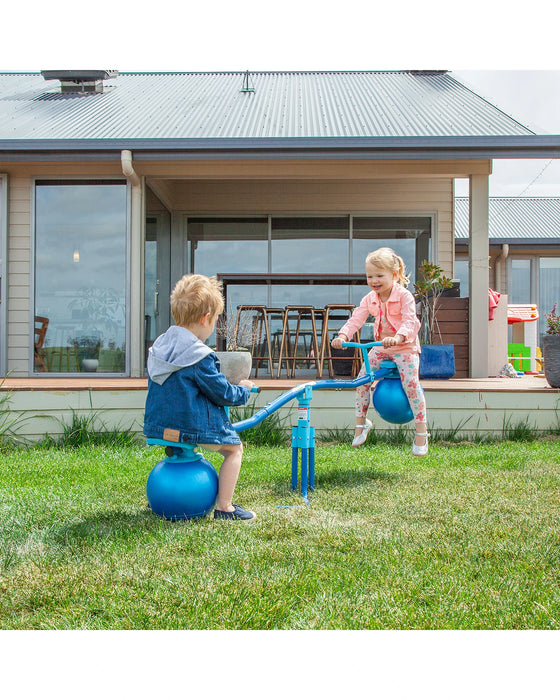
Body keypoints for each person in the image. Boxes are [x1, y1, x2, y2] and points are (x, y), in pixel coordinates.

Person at [144, 273, 257, 521]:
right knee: (234, 449)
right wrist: (245, 390)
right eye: (216, 319)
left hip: (158, 428)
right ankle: (225, 507)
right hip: (188, 428)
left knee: (183, 438)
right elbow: (222, 392)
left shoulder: (160, 348)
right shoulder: (198, 355)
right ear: (206, 319)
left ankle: (166, 494)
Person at [331, 247, 429, 456]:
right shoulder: (370, 298)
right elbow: (357, 318)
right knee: (361, 380)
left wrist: (399, 337)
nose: (374, 280)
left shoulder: (405, 296)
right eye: (369, 276)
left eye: (379, 275)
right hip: (382, 348)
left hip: (404, 347)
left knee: (411, 384)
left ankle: (421, 433)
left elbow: (409, 320)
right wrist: (343, 336)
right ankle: (361, 424)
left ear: (394, 275)